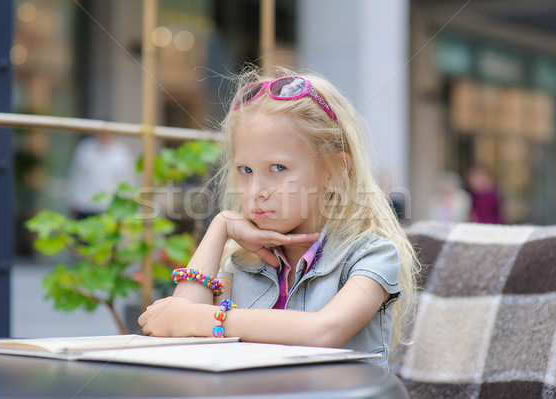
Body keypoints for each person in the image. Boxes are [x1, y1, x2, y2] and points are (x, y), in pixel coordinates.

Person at [138, 68, 419, 369]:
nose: (257, 191)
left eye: (278, 168)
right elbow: (177, 335)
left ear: (334, 172)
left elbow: (324, 331)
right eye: (245, 171)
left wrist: (207, 319)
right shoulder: (244, 262)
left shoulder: (370, 255)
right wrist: (220, 226)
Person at [66, 134, 135, 219]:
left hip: (109, 209)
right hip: (84, 207)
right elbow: (75, 176)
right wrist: (71, 201)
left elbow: (128, 181)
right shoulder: (85, 149)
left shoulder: (121, 153)